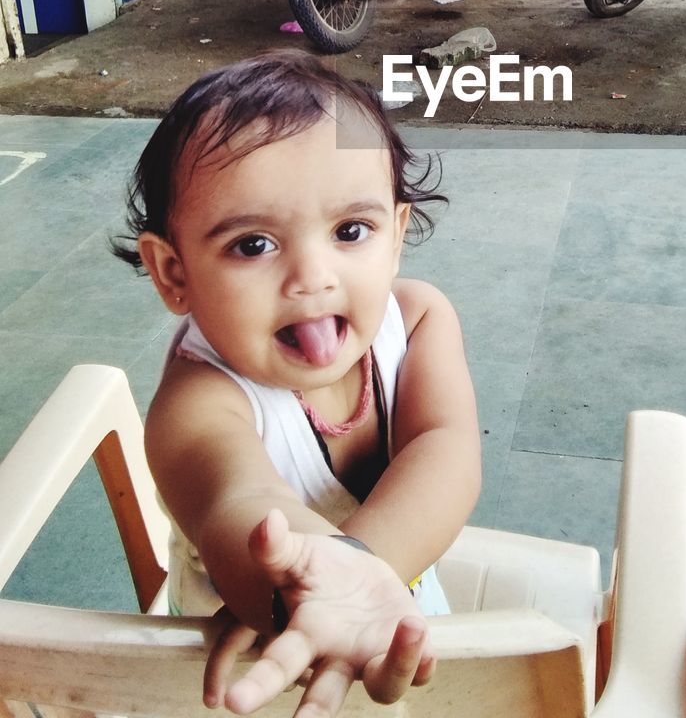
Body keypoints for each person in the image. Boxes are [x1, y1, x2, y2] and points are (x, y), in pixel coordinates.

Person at [113, 52, 481, 717]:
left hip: (388, 602)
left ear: (396, 236)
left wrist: (365, 569)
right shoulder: (200, 403)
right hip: (263, 657)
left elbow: (446, 448)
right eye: (253, 245)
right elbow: (240, 501)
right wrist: (316, 587)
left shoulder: (419, 319)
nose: (313, 275)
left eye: (350, 231)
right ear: (174, 273)